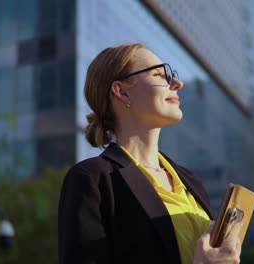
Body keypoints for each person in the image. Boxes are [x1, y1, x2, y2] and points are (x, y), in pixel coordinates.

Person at [58, 43, 243, 264]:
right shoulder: (93, 179)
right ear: (122, 91)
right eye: (159, 74)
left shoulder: (191, 181)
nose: (177, 83)